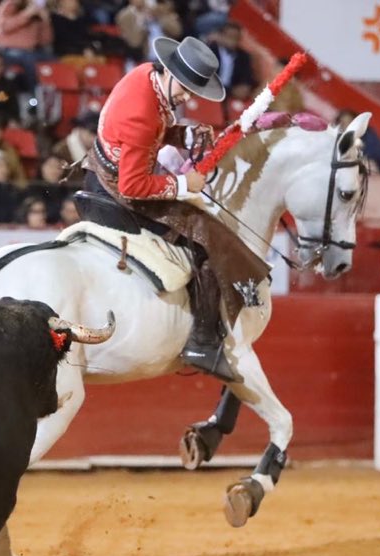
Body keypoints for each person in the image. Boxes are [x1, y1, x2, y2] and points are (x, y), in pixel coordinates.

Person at [84, 36, 270, 382]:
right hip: (118, 188)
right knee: (207, 238)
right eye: (185, 89)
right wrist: (186, 186)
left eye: (193, 90)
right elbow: (132, 186)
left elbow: (154, 131)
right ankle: (202, 342)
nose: (189, 97)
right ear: (167, 71)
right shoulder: (142, 112)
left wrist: (181, 135)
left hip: (102, 165)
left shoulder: (144, 76)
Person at [0, 0, 53, 91]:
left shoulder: (37, 13)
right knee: (31, 62)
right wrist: (26, 14)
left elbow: (46, 40)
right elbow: (3, 27)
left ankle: (53, 98)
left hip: (33, 51)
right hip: (8, 50)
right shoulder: (9, 5)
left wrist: (46, 21)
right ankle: (35, 96)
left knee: (55, 62)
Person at [206, 21, 256, 101]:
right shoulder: (210, 50)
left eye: (235, 37)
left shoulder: (244, 56)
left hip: (232, 98)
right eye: (229, 36)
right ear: (221, 36)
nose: (232, 40)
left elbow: (246, 83)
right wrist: (230, 90)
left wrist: (243, 88)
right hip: (209, 92)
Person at [335, 108, 380, 175]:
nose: (347, 127)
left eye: (349, 122)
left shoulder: (367, 136)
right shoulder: (336, 138)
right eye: (343, 124)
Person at [23, 154, 69, 223]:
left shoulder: (66, 190)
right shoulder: (31, 189)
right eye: (50, 166)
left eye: (58, 167)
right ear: (41, 167)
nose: (54, 170)